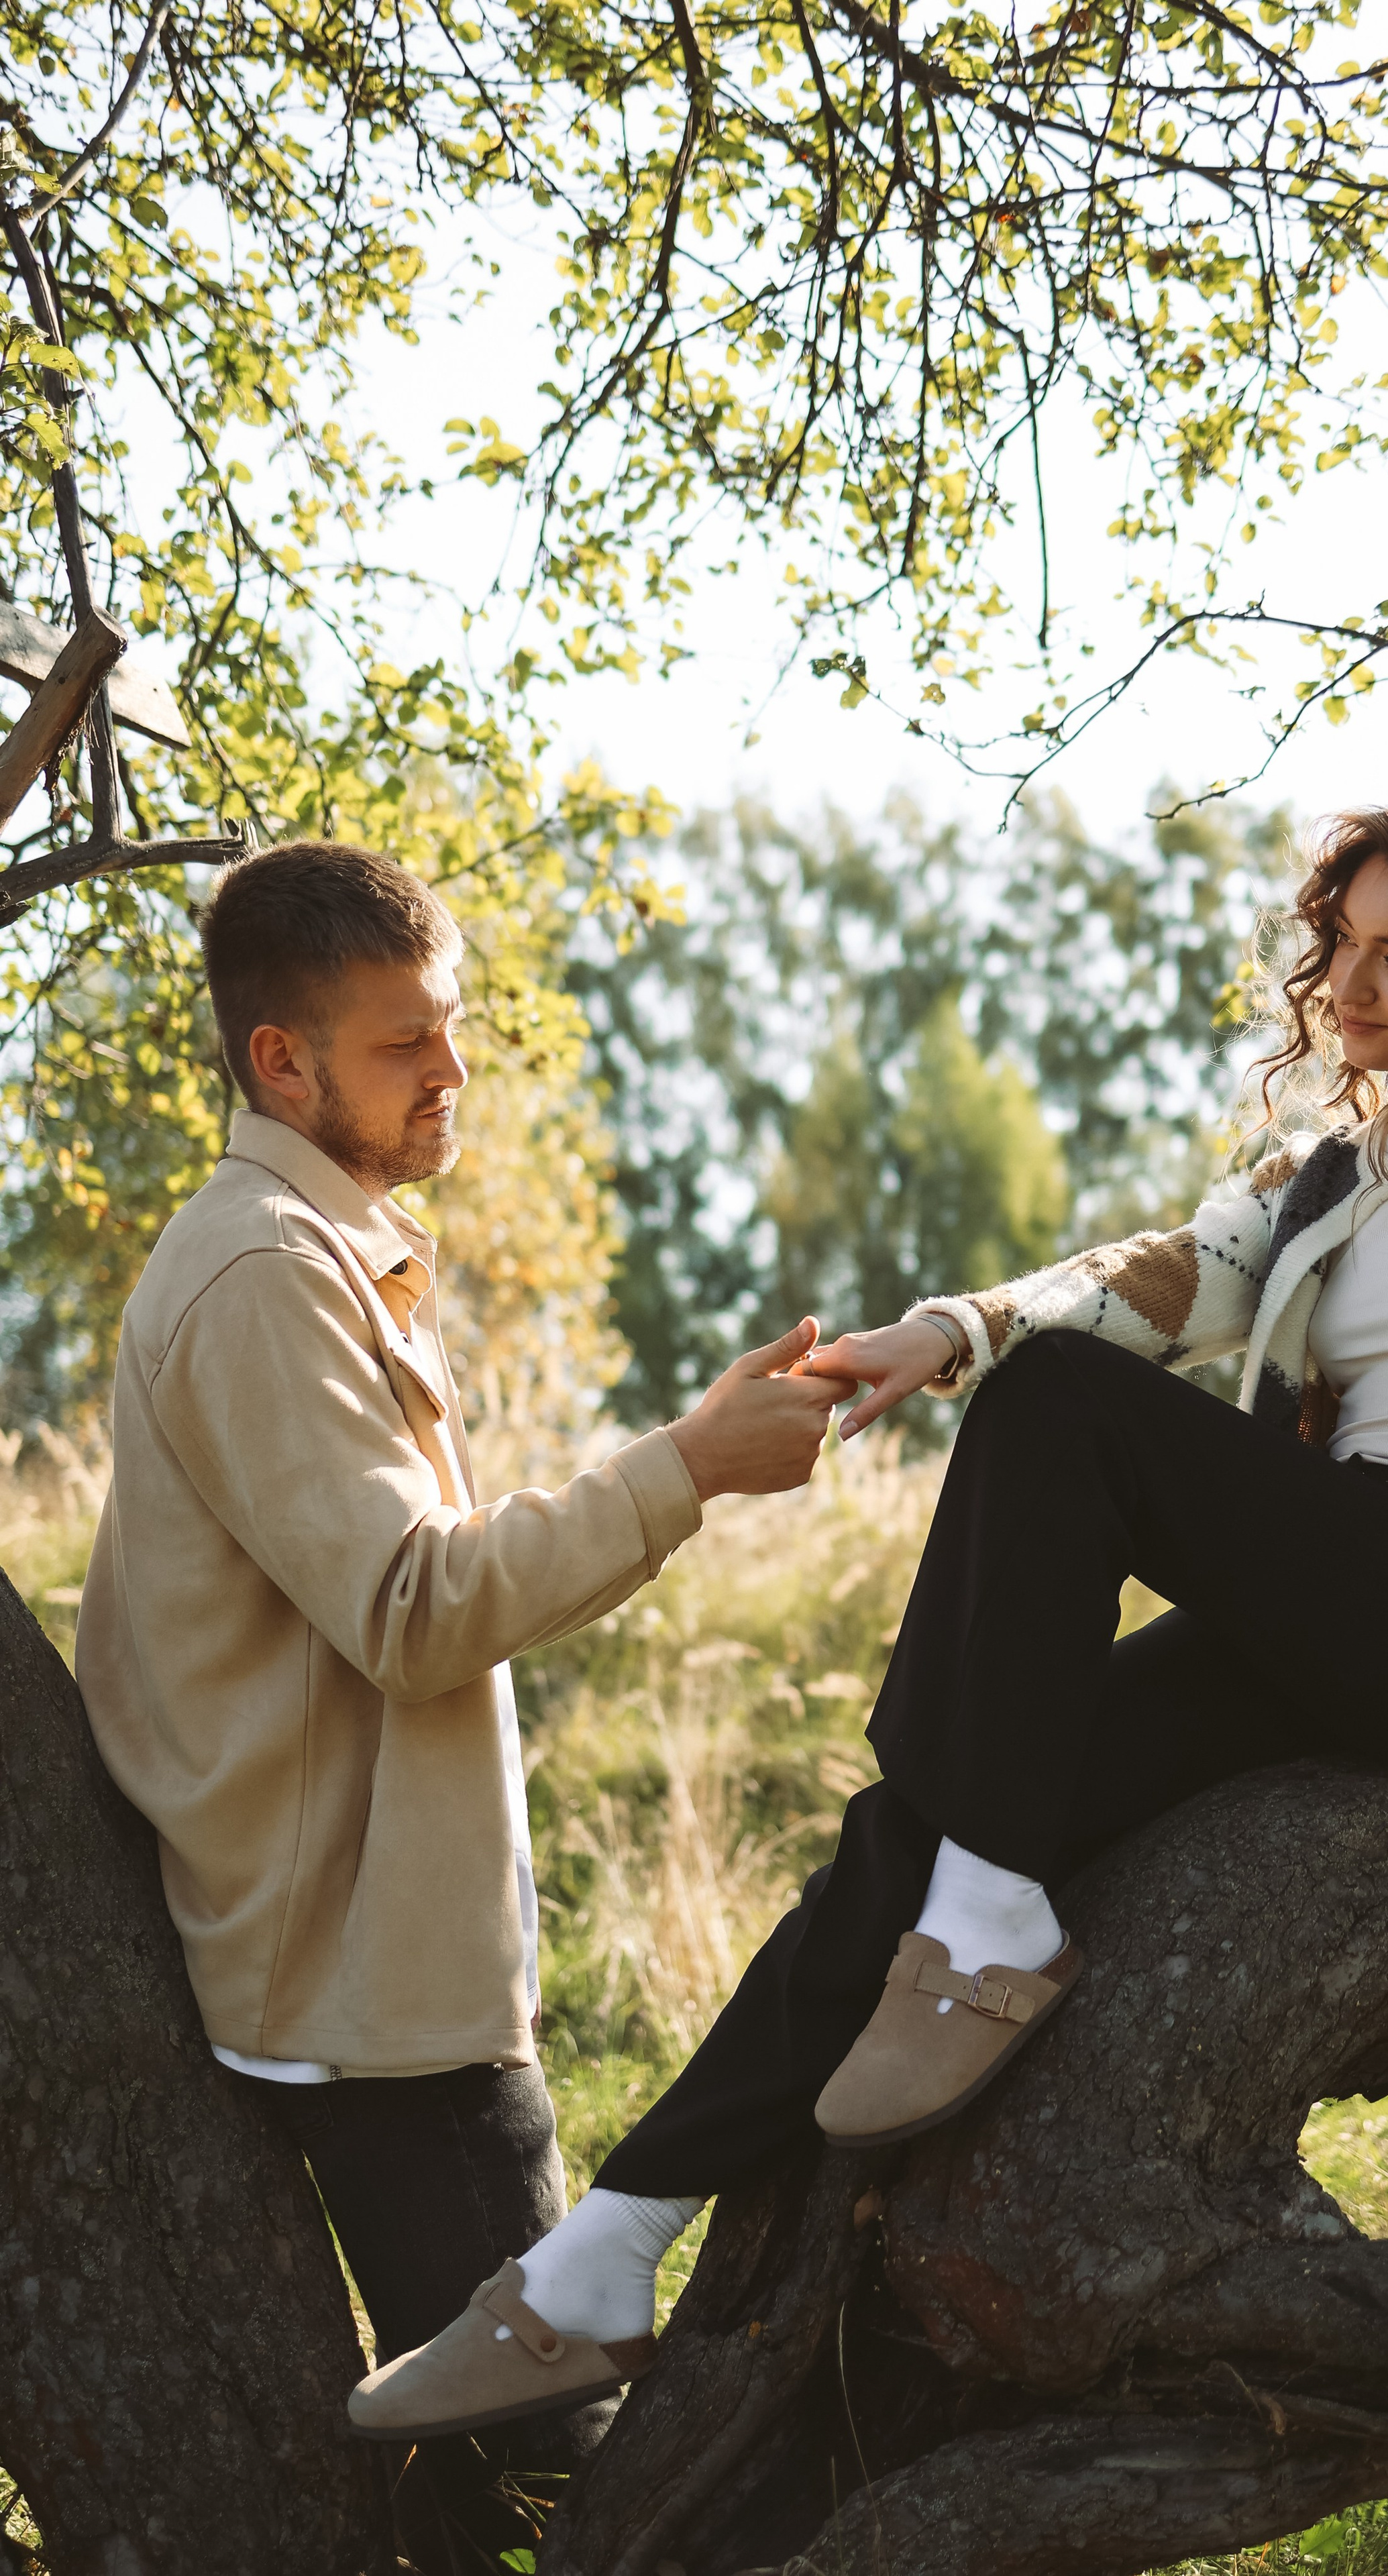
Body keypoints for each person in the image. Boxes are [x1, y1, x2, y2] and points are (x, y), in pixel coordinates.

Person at [350, 794, 1388, 2447]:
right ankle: (596, 2262)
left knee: (1061, 1419)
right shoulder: (1340, 1169)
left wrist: (990, 1362)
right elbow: (1160, 1278)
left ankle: (985, 1919)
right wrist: (936, 1334)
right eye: (1341, 948)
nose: (1350, 992)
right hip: (1329, 1600)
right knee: (913, 1829)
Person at [75, 840, 850, 2575]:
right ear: (282, 1062)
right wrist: (688, 1470)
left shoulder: (332, 1249)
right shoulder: (265, 1275)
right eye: (407, 1042)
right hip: (365, 2009)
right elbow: (416, 1609)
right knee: (560, 2480)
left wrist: (688, 1458)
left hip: (390, 1971)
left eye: (458, 1027)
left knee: (494, 2476)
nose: (457, 1072)